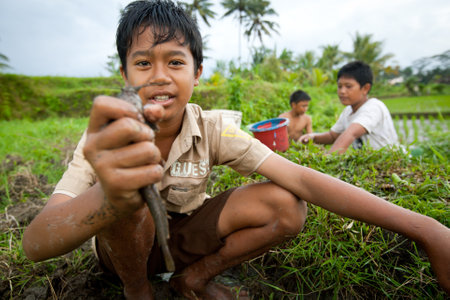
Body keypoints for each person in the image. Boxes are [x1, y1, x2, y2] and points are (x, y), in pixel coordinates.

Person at [22, 1, 449, 299]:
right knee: (129, 194)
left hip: (184, 238)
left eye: (175, 62)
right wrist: (110, 195)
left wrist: (426, 228)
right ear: (123, 71)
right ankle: (139, 291)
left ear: (198, 71)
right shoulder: (105, 141)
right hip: (123, 256)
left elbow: (301, 179)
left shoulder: (212, 129)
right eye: (142, 63)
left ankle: (193, 278)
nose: (159, 76)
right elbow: (37, 242)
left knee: (286, 203)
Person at [299, 61, 399, 154]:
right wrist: (313, 137)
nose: (342, 91)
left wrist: (328, 158)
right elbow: (332, 136)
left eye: (348, 86)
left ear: (365, 88)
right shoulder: (348, 111)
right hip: (370, 164)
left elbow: (351, 133)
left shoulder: (373, 107)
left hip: (389, 161)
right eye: (339, 86)